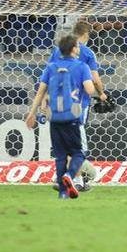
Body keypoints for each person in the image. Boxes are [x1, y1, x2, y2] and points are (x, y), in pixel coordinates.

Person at [25, 35, 106, 199]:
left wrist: (32, 113)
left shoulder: (51, 67)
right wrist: (91, 87)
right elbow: (89, 90)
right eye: (77, 46)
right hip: (73, 114)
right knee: (78, 153)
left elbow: (40, 92)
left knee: (60, 155)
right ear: (73, 49)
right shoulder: (82, 66)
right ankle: (72, 177)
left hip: (55, 116)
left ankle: (63, 192)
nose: (79, 48)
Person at [46, 20, 106, 191]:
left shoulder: (57, 51)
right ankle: (77, 180)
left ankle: (62, 177)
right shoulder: (87, 54)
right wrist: (102, 94)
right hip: (78, 105)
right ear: (86, 35)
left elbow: (48, 76)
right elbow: (94, 80)